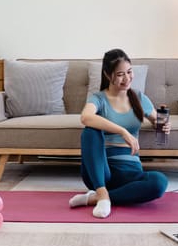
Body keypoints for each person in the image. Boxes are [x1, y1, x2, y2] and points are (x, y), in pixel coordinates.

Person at [69, 49, 169, 218]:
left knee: (159, 183)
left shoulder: (139, 98)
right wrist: (122, 131)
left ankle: (97, 198)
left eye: (129, 72)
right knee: (90, 132)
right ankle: (101, 191)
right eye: (120, 74)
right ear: (108, 75)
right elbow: (86, 117)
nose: (127, 78)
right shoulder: (99, 98)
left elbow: (157, 120)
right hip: (102, 172)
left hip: (131, 173)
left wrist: (163, 124)